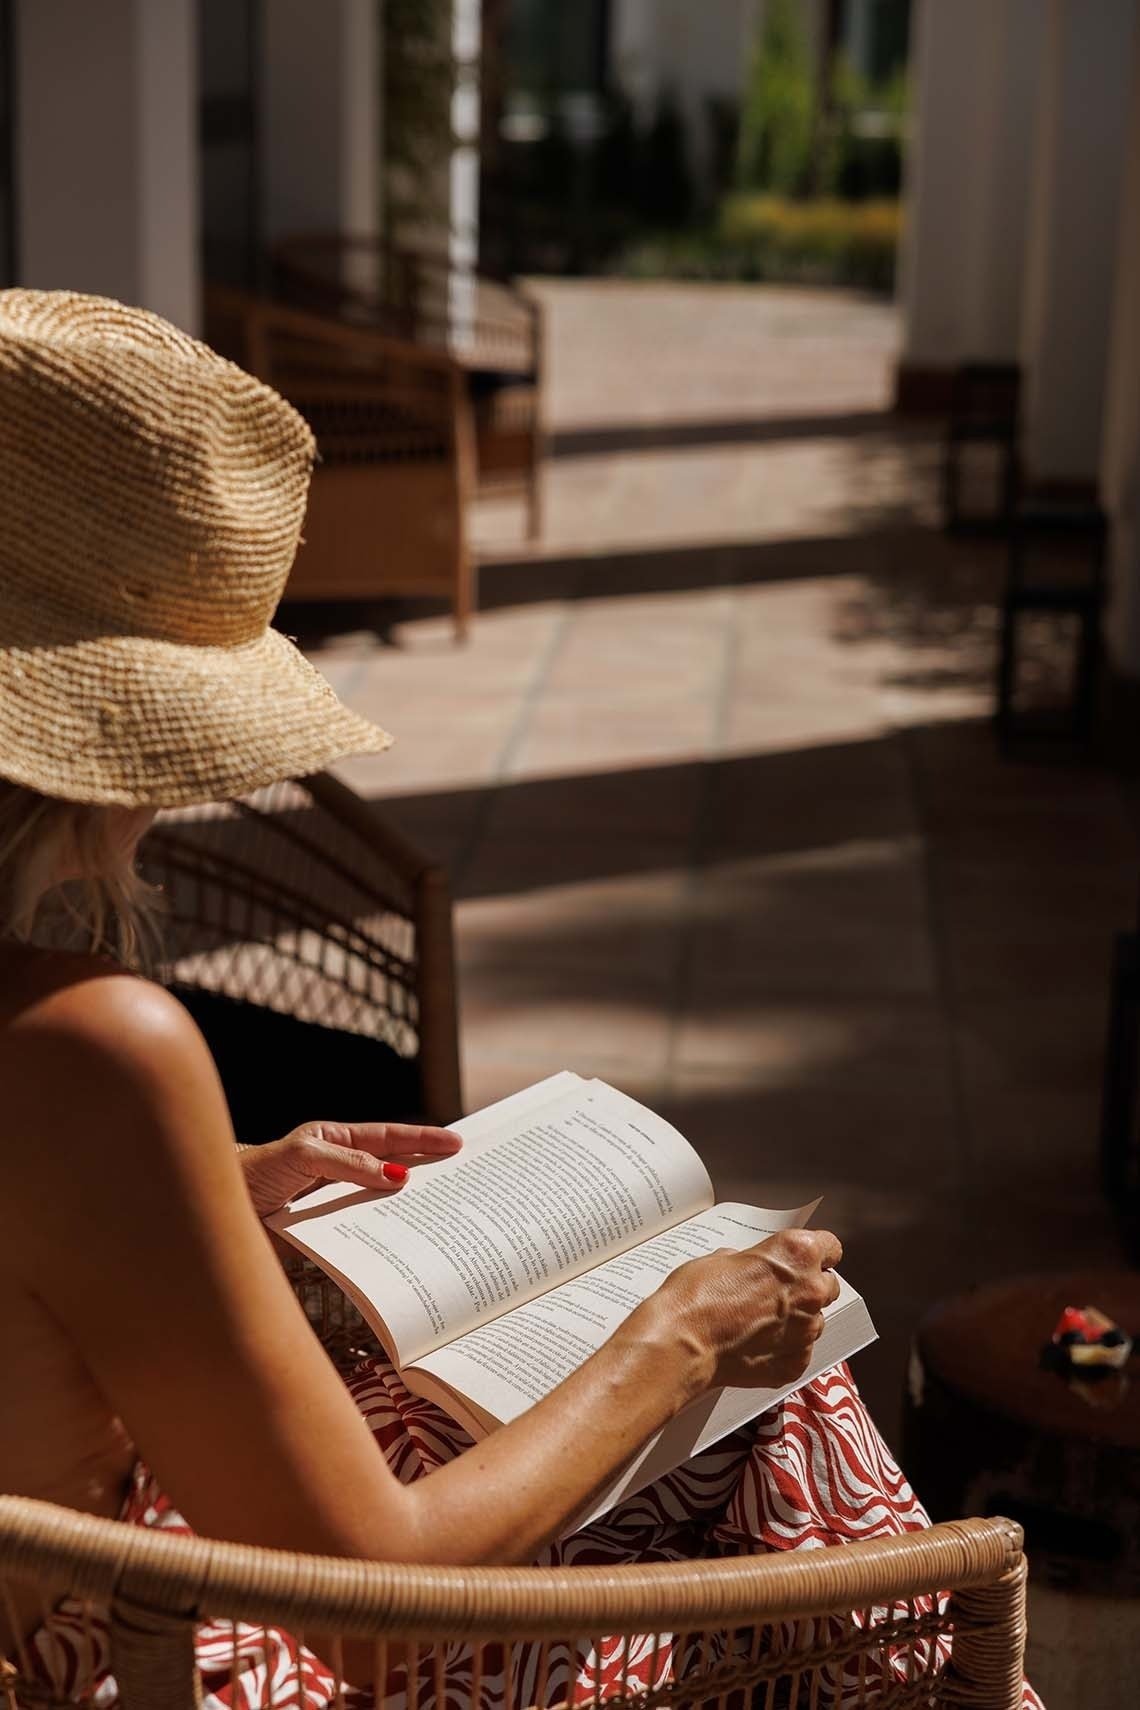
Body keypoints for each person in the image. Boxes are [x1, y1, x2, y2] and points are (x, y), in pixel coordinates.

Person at [0, 291, 1035, 1710]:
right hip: (140, 1655)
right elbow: (368, 1609)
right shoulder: (86, 1048)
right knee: (773, 1411)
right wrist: (676, 1336)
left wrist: (210, 1186)